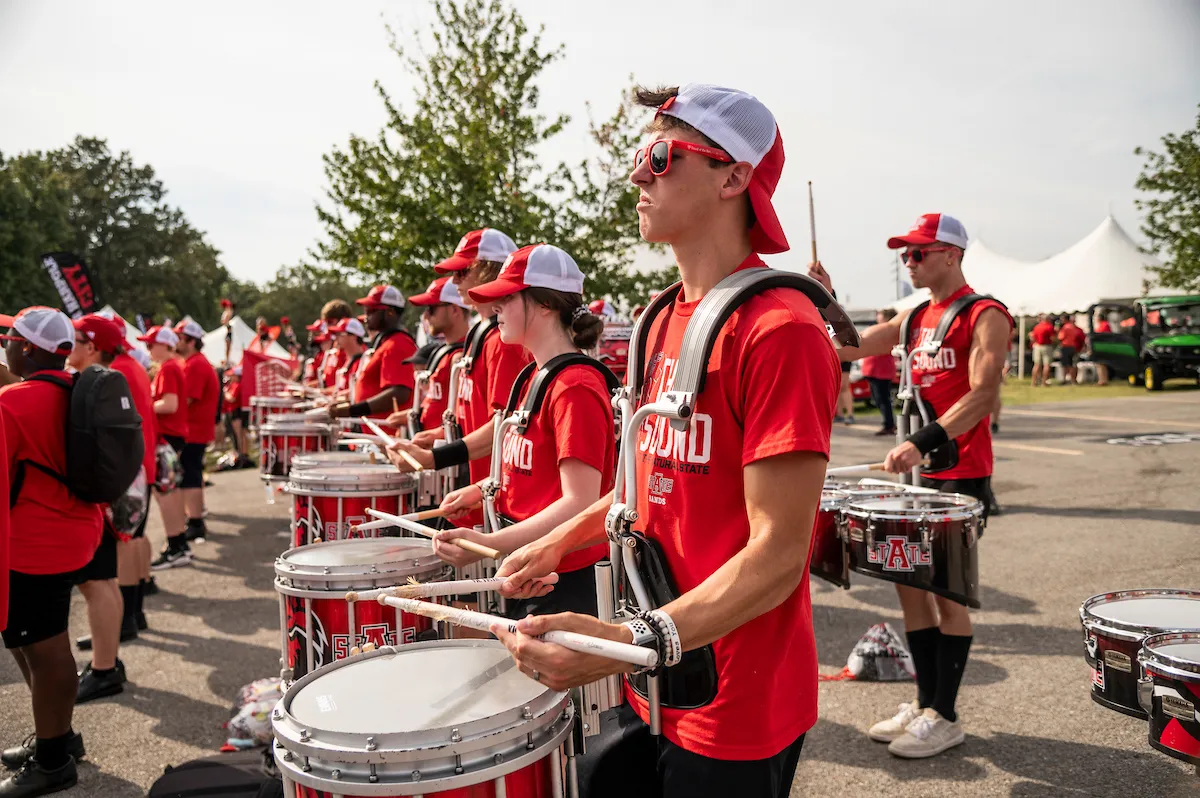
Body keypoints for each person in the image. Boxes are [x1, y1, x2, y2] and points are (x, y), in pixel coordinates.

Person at [492, 84, 837, 798]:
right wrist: (555, 544)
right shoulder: (656, 321)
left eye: (658, 156)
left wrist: (625, 642)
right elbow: (640, 491)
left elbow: (778, 555)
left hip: (739, 702)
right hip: (655, 672)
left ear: (733, 176)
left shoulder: (783, 331)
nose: (636, 176)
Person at [810, 211, 1012, 758]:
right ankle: (925, 705)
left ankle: (946, 715)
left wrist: (921, 441)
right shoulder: (914, 317)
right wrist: (825, 302)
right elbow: (848, 347)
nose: (909, 260)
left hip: (957, 473)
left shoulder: (986, 314)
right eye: (905, 253)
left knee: (947, 594)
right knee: (910, 588)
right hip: (915, 475)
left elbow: (983, 393)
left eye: (918, 252)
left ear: (951, 254)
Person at [412, 244, 615, 618]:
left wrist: (489, 542)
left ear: (545, 305)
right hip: (528, 564)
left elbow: (580, 502)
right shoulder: (532, 378)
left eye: (506, 298)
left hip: (564, 577)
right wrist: (480, 491)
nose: (495, 310)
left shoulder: (575, 386)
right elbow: (527, 473)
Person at [0, 307, 100, 796]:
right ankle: (57, 734)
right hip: (77, 530)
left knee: (44, 647)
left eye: (10, 338)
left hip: (33, 543)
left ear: (25, 348)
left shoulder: (13, 403)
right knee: (28, 638)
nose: (6, 345)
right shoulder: (78, 388)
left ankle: (54, 761)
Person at [64, 316, 153, 703]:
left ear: (92, 346)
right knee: (105, 576)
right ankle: (111, 649)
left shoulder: (108, 376)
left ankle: (107, 661)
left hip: (115, 484)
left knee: (99, 578)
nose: (68, 344)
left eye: (76, 338)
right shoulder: (120, 370)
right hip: (125, 478)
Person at [140, 326, 193, 572]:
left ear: (165, 345)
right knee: (168, 491)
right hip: (172, 434)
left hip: (169, 434)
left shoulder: (170, 368)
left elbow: (169, 404)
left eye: (151, 345)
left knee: (166, 493)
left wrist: (143, 404)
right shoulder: (171, 367)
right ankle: (178, 544)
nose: (148, 349)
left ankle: (177, 546)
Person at [328, 286, 416, 431]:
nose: (366, 316)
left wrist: (353, 410)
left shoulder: (398, 343)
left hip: (390, 436)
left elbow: (399, 393)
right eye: (365, 311)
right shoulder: (386, 343)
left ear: (390, 312)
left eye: (371, 311)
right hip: (377, 434)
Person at [171, 320, 219, 550]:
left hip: (192, 430)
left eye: (179, 337)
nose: (175, 342)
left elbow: (185, 400)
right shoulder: (193, 363)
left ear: (190, 341)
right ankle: (195, 519)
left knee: (189, 475)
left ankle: (195, 521)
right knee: (191, 473)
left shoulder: (195, 365)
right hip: (193, 429)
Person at [405, 275, 472, 433]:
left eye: (431, 309)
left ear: (454, 309)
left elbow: (460, 417)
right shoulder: (446, 352)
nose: (426, 316)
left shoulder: (460, 356)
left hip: (446, 454)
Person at [861, 308, 898, 435]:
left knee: (883, 400)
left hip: (881, 372)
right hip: (874, 371)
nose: (878, 319)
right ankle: (889, 423)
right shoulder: (880, 331)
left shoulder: (887, 332)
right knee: (879, 399)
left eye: (881, 317)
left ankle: (889, 424)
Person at [329, 317, 368, 400]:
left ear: (353, 336)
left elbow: (361, 391)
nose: (336, 338)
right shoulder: (348, 360)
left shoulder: (364, 361)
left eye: (340, 334)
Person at [1058, 315, 1085, 384]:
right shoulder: (1079, 329)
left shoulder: (1065, 328)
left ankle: (1064, 379)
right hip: (1075, 348)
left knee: (1065, 364)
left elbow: (1060, 337)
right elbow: (1082, 340)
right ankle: (1073, 380)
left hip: (1066, 347)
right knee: (1073, 364)